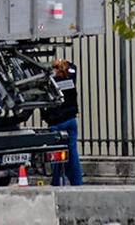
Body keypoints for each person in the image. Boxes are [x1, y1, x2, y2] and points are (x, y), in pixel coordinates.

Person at [43, 56, 83, 186]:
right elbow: (73, 67)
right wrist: (63, 63)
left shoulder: (51, 83)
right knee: (72, 153)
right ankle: (77, 182)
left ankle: (57, 181)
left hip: (57, 122)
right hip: (71, 120)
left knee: (57, 154)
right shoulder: (70, 78)